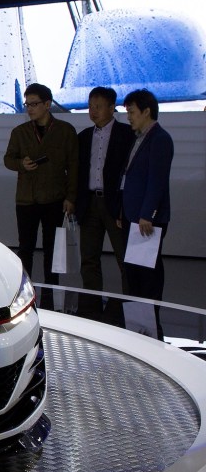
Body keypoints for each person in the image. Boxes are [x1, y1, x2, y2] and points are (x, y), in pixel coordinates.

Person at [3, 83, 78, 304]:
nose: (30, 109)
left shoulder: (65, 131)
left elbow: (74, 166)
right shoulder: (20, 132)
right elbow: (8, 159)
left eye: (34, 104)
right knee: (25, 248)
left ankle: (51, 295)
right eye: (27, 104)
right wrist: (21, 163)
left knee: (51, 249)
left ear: (47, 104)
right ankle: (23, 293)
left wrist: (71, 197)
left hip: (54, 198)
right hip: (26, 198)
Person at [75, 87, 135, 312]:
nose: (93, 111)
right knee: (89, 258)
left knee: (124, 257)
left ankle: (129, 306)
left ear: (112, 108)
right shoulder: (84, 136)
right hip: (89, 202)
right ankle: (91, 307)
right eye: (90, 106)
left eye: (98, 107)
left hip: (114, 203)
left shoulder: (127, 134)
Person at [119, 88, 173, 303]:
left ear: (146, 111)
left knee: (147, 269)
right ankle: (138, 314)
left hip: (147, 217)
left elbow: (157, 182)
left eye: (132, 112)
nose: (129, 117)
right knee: (134, 269)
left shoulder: (160, 139)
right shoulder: (139, 138)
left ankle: (150, 316)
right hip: (133, 214)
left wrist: (147, 214)